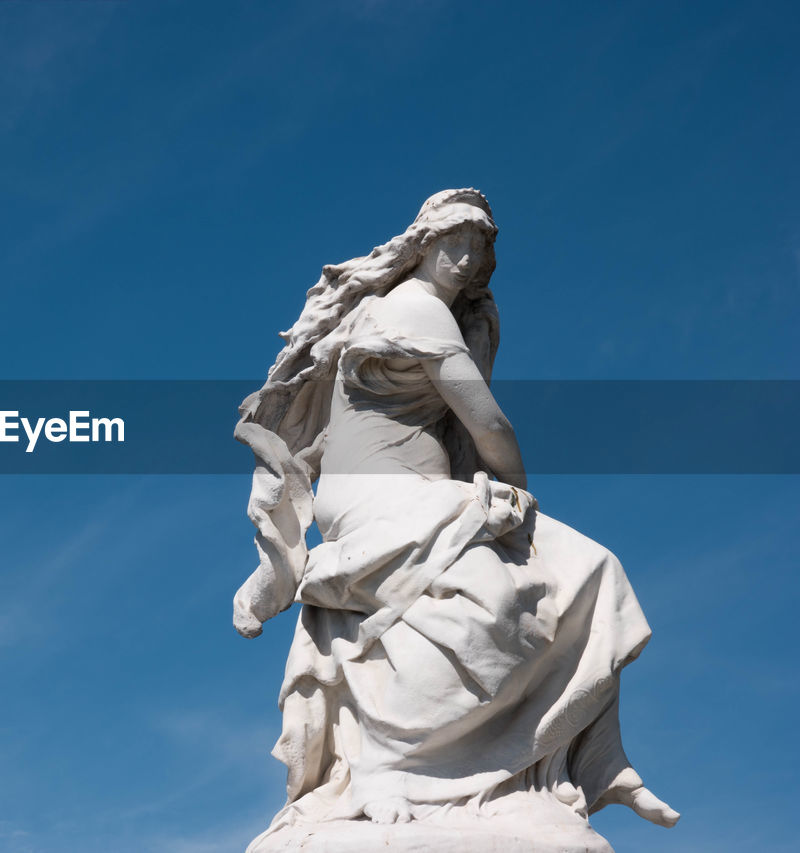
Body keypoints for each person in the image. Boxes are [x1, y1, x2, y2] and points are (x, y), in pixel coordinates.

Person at [233, 189, 678, 846]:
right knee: (574, 572)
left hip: (395, 492)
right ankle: (402, 765)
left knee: (580, 573)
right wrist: (519, 497)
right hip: (384, 495)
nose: (467, 260)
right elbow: (488, 421)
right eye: (455, 243)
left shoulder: (398, 311)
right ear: (423, 242)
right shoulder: (416, 308)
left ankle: (590, 764)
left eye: (479, 249)